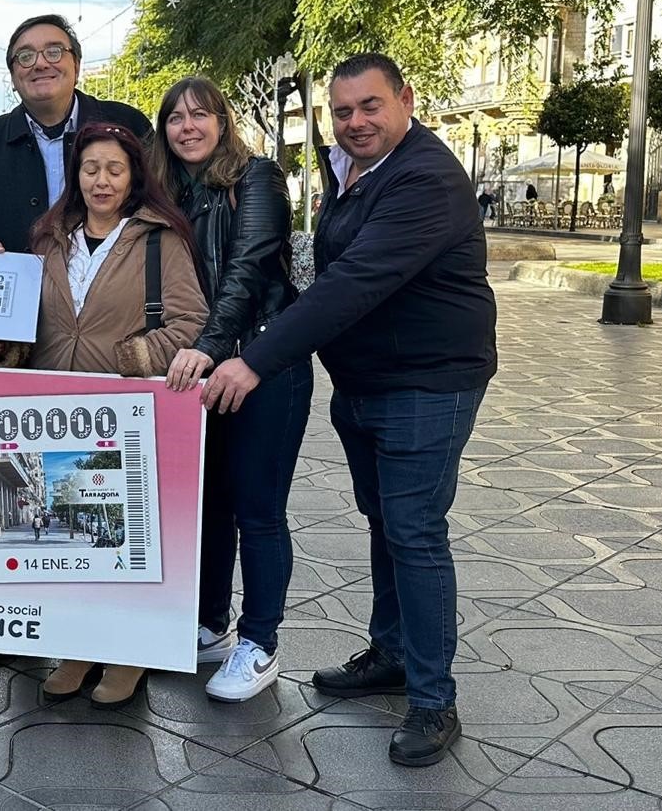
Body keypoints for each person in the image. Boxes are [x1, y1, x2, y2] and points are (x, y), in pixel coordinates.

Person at [202, 52, 497, 767]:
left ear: (406, 101)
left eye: (370, 106)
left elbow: (354, 282)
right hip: (369, 382)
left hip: (428, 384)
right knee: (385, 524)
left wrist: (256, 355)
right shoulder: (354, 170)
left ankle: (432, 700)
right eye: (342, 112)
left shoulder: (424, 177)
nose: (356, 122)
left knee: (416, 533)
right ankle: (392, 655)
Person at [0, 121, 207, 708]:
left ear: (134, 176)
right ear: (74, 177)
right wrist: (2, 346)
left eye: (114, 169)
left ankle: (128, 656)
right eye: (90, 169)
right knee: (69, 537)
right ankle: (78, 646)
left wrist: (132, 356)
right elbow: (27, 320)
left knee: (120, 536)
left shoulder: (159, 240)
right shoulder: (50, 239)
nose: (101, 181)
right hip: (53, 413)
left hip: (126, 414)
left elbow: (191, 323)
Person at [154, 76, 313, 703]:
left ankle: (261, 643)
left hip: (262, 365)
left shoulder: (257, 178)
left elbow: (246, 271)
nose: (187, 127)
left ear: (223, 121)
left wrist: (210, 349)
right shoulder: (169, 193)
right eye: (175, 118)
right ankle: (211, 622)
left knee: (258, 508)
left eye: (200, 115)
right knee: (210, 503)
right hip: (204, 370)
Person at [0, 13, 151, 253]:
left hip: (113, 283)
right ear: (13, 78)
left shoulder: (128, 124)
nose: (40, 64)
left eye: (54, 51)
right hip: (21, 285)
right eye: (25, 56)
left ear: (77, 66)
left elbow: (156, 202)